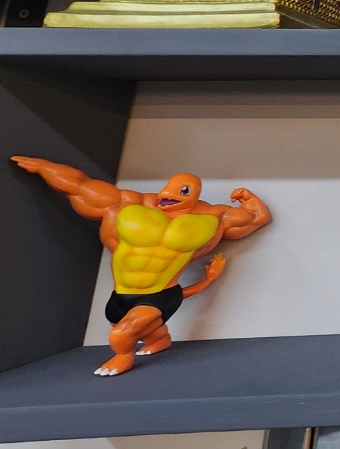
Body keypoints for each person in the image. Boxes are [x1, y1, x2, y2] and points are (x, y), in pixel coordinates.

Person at [11, 156, 272, 374]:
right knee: (133, 326)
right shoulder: (127, 203)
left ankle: (123, 357)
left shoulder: (213, 216)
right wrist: (46, 168)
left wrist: (247, 197)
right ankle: (160, 338)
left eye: (182, 191)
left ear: (194, 195)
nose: (168, 194)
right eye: (169, 188)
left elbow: (257, 218)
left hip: (160, 293)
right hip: (121, 293)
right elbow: (79, 186)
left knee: (121, 335)